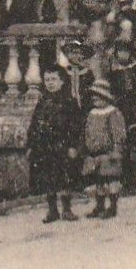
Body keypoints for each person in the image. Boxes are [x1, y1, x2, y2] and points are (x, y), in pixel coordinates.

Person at [28, 66, 84, 224]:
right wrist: (31, 145)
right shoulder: (43, 102)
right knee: (48, 178)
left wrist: (73, 146)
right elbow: (34, 125)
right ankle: (52, 210)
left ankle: (67, 209)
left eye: (54, 79)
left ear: (62, 81)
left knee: (65, 177)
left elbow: (76, 126)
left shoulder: (69, 102)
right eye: (47, 80)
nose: (50, 83)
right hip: (45, 147)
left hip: (63, 146)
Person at [107, 38, 136, 193]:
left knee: (135, 143)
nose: (123, 55)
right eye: (120, 52)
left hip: (135, 111)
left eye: (126, 51)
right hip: (120, 111)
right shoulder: (113, 72)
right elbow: (112, 92)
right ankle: (125, 179)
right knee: (121, 143)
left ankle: (134, 179)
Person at [82, 80, 127, 220]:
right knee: (99, 181)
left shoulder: (113, 113)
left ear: (106, 97)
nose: (95, 99)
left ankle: (112, 206)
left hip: (109, 153)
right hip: (95, 153)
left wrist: (117, 149)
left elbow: (118, 132)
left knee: (111, 180)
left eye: (99, 96)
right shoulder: (92, 113)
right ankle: (99, 205)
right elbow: (88, 132)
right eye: (93, 96)